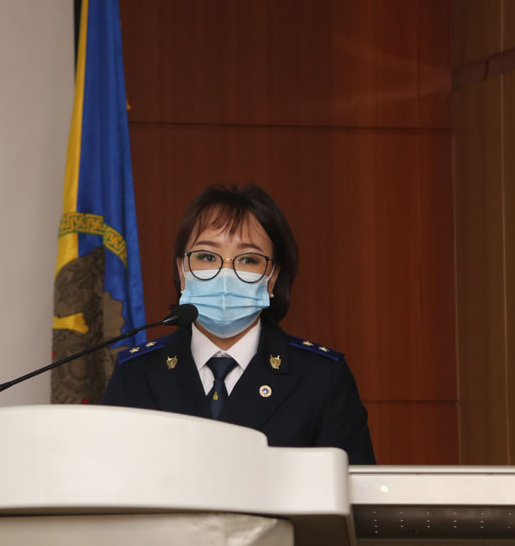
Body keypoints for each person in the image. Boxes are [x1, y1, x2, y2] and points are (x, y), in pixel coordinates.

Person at [102, 184, 376, 464]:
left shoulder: (321, 378)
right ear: (182, 272)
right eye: (208, 256)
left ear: (272, 278)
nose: (226, 273)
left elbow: (350, 487)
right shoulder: (135, 374)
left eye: (247, 259)